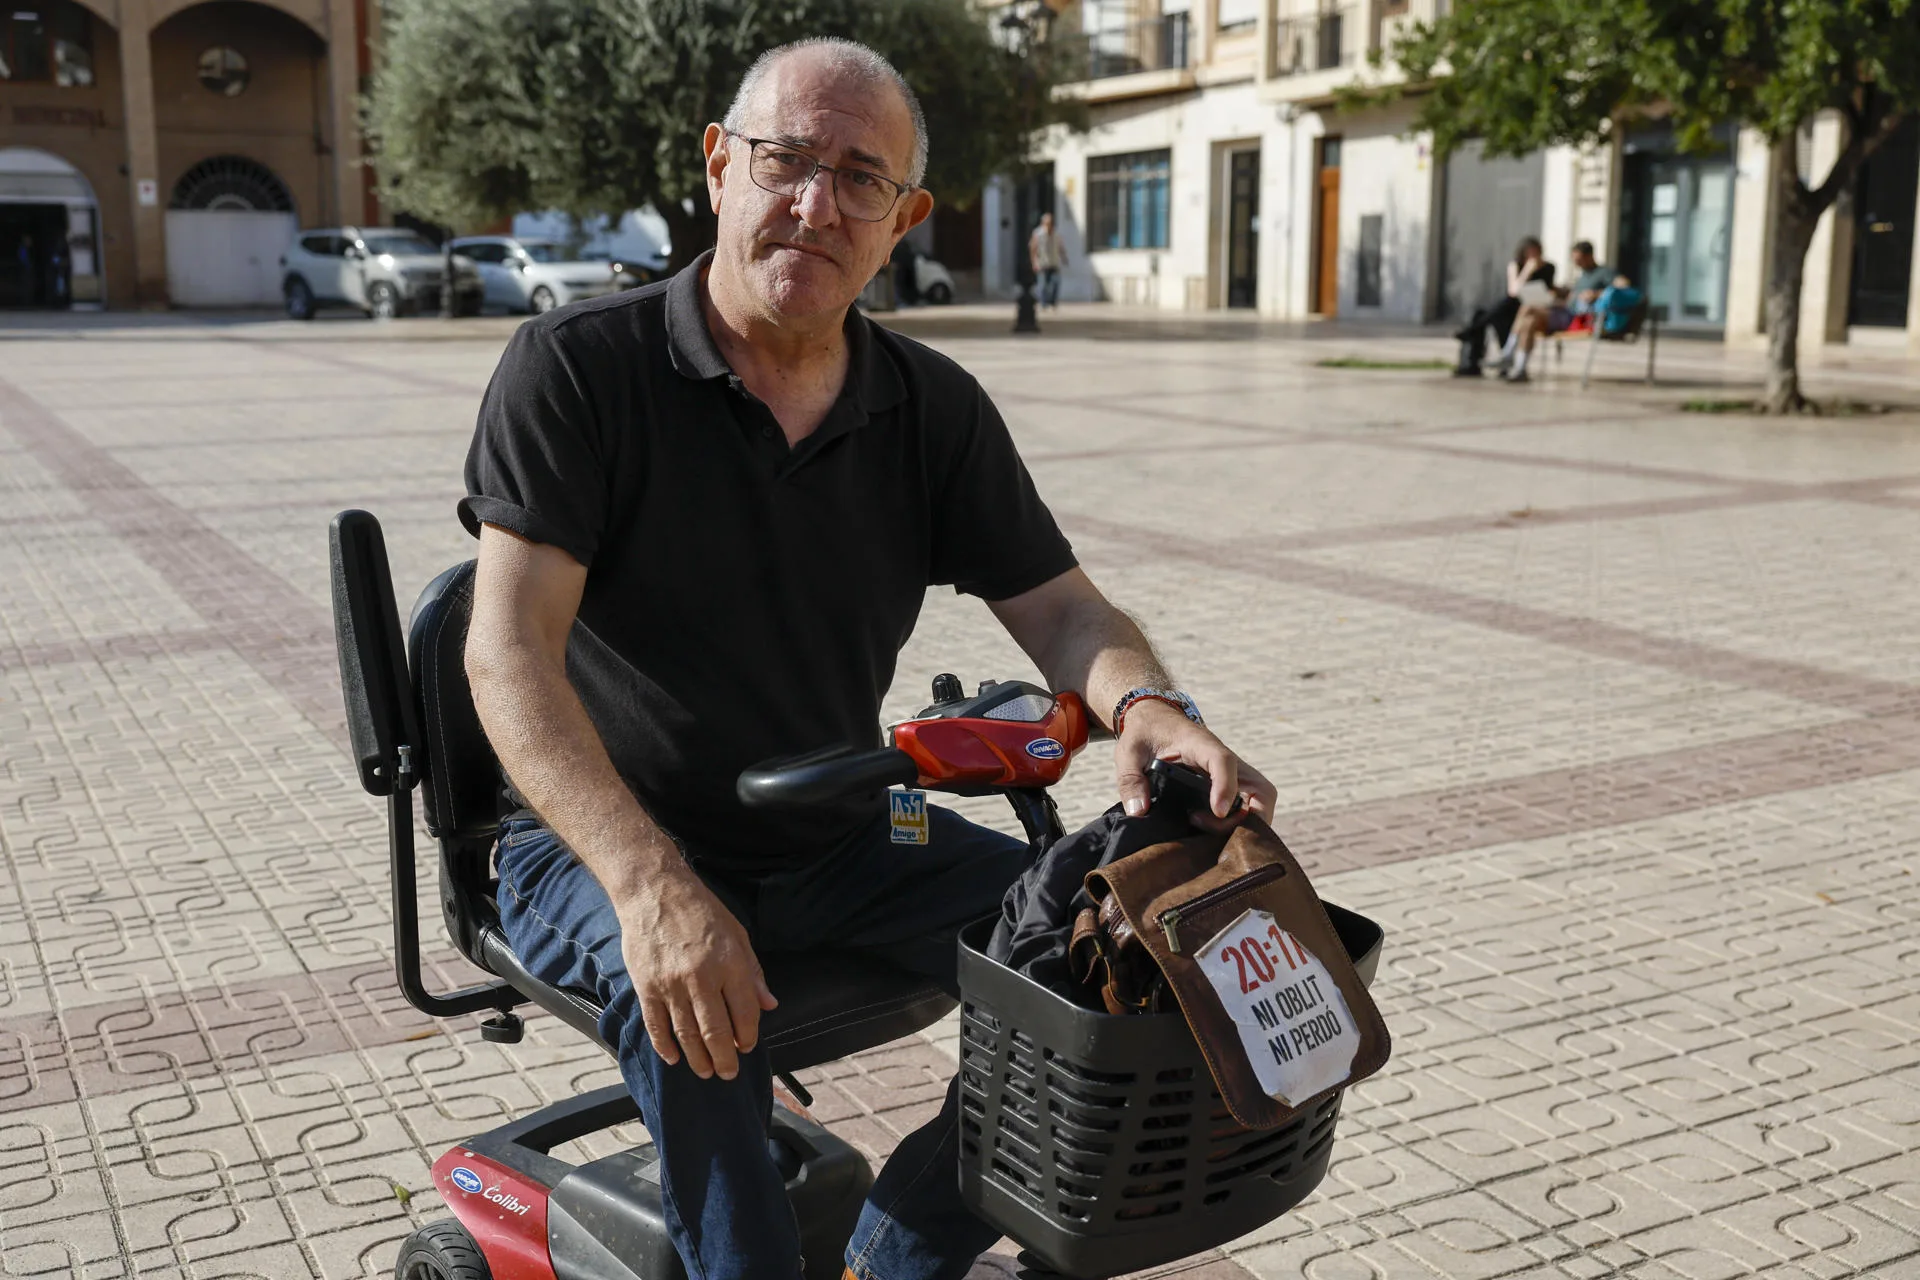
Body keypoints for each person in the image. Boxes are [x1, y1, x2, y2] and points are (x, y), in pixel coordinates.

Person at [460, 37, 1278, 1280]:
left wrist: (1149, 703)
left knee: (1106, 942)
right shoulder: (578, 368)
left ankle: (892, 1253)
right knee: (696, 1008)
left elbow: (1065, 611)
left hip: (839, 834)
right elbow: (507, 653)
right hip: (595, 841)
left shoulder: (929, 406)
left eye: (860, 179)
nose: (815, 204)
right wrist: (650, 882)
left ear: (904, 219)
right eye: (786, 160)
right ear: (719, 165)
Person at [1499, 240, 1613, 383]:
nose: (1576, 263)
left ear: (1589, 256)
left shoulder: (1604, 273)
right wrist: (1558, 292)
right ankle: (1520, 369)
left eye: (1578, 259)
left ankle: (1508, 353)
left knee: (1528, 307)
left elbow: (1622, 285)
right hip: (1562, 310)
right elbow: (1571, 296)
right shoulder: (1582, 275)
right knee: (1529, 321)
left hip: (1574, 318)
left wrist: (1596, 294)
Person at [1451, 237, 1553, 377]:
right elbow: (1514, 290)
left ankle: (1474, 331)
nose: (1532, 255)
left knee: (1497, 312)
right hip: (1513, 306)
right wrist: (1527, 271)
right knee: (1496, 313)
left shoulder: (1549, 267)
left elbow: (1547, 291)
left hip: (1533, 307)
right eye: (1529, 252)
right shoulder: (1515, 265)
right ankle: (1500, 358)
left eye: (1535, 252)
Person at [1029, 211, 1064, 308]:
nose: (1049, 225)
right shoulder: (1038, 233)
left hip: (1054, 262)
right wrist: (1034, 262)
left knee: (1056, 283)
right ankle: (1043, 303)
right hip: (1042, 263)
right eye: (1047, 223)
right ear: (1043, 223)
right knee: (1043, 285)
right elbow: (1033, 248)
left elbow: (1060, 247)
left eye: (1051, 223)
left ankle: (1052, 302)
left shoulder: (1056, 233)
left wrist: (1063, 257)